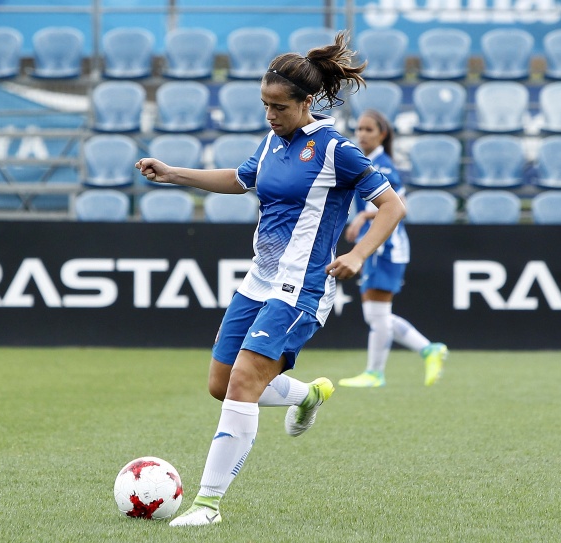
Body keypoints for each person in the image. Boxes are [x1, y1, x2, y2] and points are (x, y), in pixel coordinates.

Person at [135, 31, 406, 527]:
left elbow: (392, 205)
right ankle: (306, 395)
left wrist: (359, 254)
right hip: (257, 281)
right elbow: (240, 181)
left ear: (306, 102)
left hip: (301, 288)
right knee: (221, 384)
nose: (270, 115)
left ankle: (207, 504)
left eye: (279, 106)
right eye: (264, 105)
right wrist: (172, 173)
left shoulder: (335, 150)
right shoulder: (270, 143)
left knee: (243, 382)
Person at [338, 110, 448, 389]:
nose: (361, 134)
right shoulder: (370, 162)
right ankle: (428, 349)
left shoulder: (382, 166)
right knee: (377, 315)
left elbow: (399, 205)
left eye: (368, 130)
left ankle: (376, 372)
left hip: (386, 248)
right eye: (359, 129)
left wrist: (362, 217)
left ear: (382, 135)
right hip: (380, 248)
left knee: (377, 315)